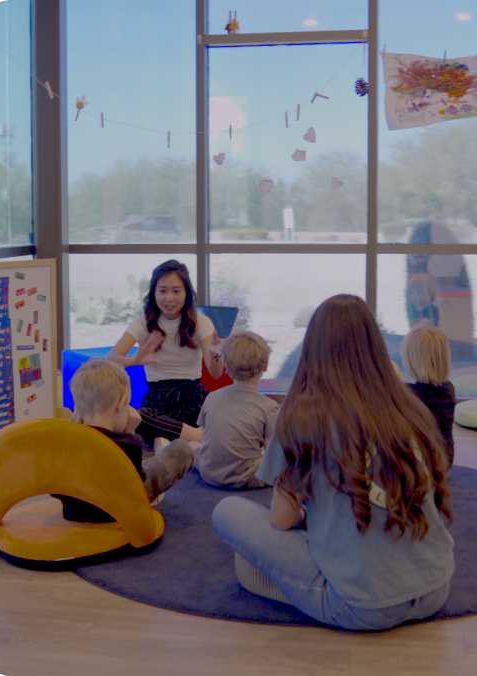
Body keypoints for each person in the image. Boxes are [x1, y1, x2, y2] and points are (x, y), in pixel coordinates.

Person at [213, 295, 454, 631]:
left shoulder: (299, 417)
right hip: (435, 588)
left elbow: (282, 520)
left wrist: (312, 508)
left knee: (227, 512)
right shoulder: (410, 409)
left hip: (362, 606)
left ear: (313, 348)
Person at [54, 359, 194, 523]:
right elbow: (134, 488)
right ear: (120, 404)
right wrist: (130, 432)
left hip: (76, 513)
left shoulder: (67, 439)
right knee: (181, 450)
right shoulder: (126, 444)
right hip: (115, 512)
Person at [108, 259, 223, 445]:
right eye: (162, 291)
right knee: (137, 416)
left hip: (192, 396)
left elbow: (216, 374)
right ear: (153, 293)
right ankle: (192, 437)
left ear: (187, 293)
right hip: (157, 398)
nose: (169, 298)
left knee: (217, 412)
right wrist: (135, 360)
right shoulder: (143, 322)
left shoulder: (201, 322)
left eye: (176, 291)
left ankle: (169, 439)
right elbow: (112, 358)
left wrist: (217, 353)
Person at [194, 331, 279, 489]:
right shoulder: (269, 407)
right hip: (245, 478)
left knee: (194, 447)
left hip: (208, 472)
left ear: (225, 365)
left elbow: (206, 435)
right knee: (285, 461)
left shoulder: (211, 397)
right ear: (266, 365)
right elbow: (272, 454)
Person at [404, 325, 455, 469]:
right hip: (445, 461)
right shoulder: (448, 389)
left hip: (422, 464)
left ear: (411, 361)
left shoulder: (410, 393)